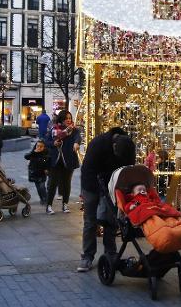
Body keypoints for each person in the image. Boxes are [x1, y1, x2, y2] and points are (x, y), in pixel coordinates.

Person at [77, 127, 136, 272]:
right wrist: (101, 192)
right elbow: (88, 170)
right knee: (90, 221)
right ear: (114, 146)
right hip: (92, 184)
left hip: (113, 185)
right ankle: (87, 256)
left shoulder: (127, 146)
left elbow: (128, 169)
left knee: (112, 220)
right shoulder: (98, 144)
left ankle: (110, 253)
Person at [45, 110, 81, 214]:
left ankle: (65, 204)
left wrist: (76, 143)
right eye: (67, 118)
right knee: (53, 183)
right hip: (55, 160)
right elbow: (46, 141)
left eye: (70, 118)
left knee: (66, 183)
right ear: (61, 119)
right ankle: (49, 206)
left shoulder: (74, 130)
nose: (69, 120)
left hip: (68, 159)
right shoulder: (53, 129)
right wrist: (53, 143)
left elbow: (78, 137)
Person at [25, 139, 50, 205]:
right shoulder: (34, 152)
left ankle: (45, 199)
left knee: (42, 187)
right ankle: (42, 199)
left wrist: (47, 169)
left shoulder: (46, 153)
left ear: (44, 147)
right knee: (38, 188)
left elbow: (47, 161)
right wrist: (34, 152)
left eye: (41, 146)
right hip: (34, 172)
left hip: (42, 173)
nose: (39, 148)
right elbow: (26, 156)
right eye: (37, 146)